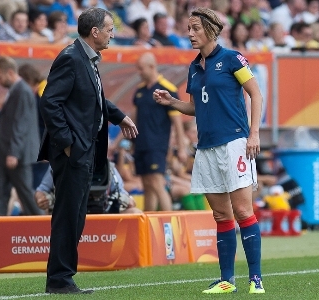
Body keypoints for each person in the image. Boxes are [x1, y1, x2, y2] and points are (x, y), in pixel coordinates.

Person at [153, 7, 265, 294]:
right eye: (188, 28)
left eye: (195, 28)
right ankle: (227, 280)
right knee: (220, 215)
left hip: (235, 143)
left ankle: (256, 279)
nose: (189, 34)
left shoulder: (231, 59)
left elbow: (255, 93)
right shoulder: (194, 66)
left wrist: (254, 134)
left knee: (242, 210)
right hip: (206, 147)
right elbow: (195, 107)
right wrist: (172, 102)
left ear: (211, 30)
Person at [38, 7, 138, 294]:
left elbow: (95, 99)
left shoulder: (87, 58)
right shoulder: (71, 58)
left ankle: (63, 277)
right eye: (109, 29)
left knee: (76, 215)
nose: (112, 34)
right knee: (69, 215)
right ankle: (59, 280)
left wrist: (119, 116)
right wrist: (68, 143)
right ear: (94, 32)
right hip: (73, 152)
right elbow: (49, 103)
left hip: (85, 150)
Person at [131, 52, 186, 211]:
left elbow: (177, 123)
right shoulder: (139, 91)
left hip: (157, 145)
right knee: (147, 185)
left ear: (152, 67)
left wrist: (181, 148)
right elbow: (133, 119)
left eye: (141, 69)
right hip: (141, 144)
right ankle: (149, 225)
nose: (139, 73)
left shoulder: (167, 89)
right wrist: (118, 143)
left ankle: (168, 222)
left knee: (156, 182)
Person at [0, 56, 43, 216]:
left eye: (0, 77)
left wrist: (14, 152)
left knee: (25, 194)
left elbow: (21, 125)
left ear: (10, 73)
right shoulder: (16, 91)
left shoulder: (23, 91)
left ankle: (44, 228)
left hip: (17, 154)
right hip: (5, 152)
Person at [34, 162, 142, 214]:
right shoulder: (58, 164)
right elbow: (41, 190)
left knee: (135, 213)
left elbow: (122, 193)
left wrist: (128, 200)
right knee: (49, 213)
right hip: (68, 215)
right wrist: (42, 198)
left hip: (103, 214)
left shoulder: (107, 166)